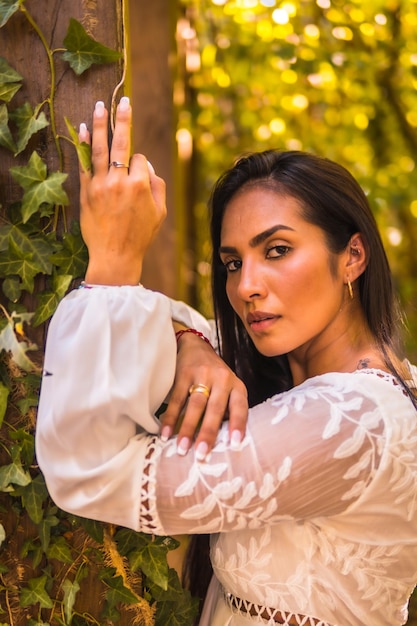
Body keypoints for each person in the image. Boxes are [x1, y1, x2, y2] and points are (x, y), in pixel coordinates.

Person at [35, 97, 417, 626]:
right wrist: (193, 341)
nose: (246, 287)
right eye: (233, 262)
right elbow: (178, 321)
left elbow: (92, 472)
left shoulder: (349, 422)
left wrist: (116, 263)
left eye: (278, 250)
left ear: (352, 256)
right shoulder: (318, 378)